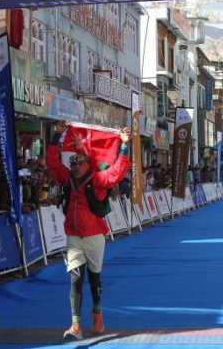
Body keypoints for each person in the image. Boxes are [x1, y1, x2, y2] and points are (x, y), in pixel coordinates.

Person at [46, 122, 131, 340]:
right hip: (74, 236)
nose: (74, 164)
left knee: (94, 280)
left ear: (88, 164)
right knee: (75, 279)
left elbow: (117, 172)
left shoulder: (98, 180)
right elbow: (53, 163)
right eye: (72, 161)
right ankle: (75, 325)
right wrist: (56, 137)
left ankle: (97, 314)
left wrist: (123, 146)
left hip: (95, 236)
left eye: (79, 161)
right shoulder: (67, 179)